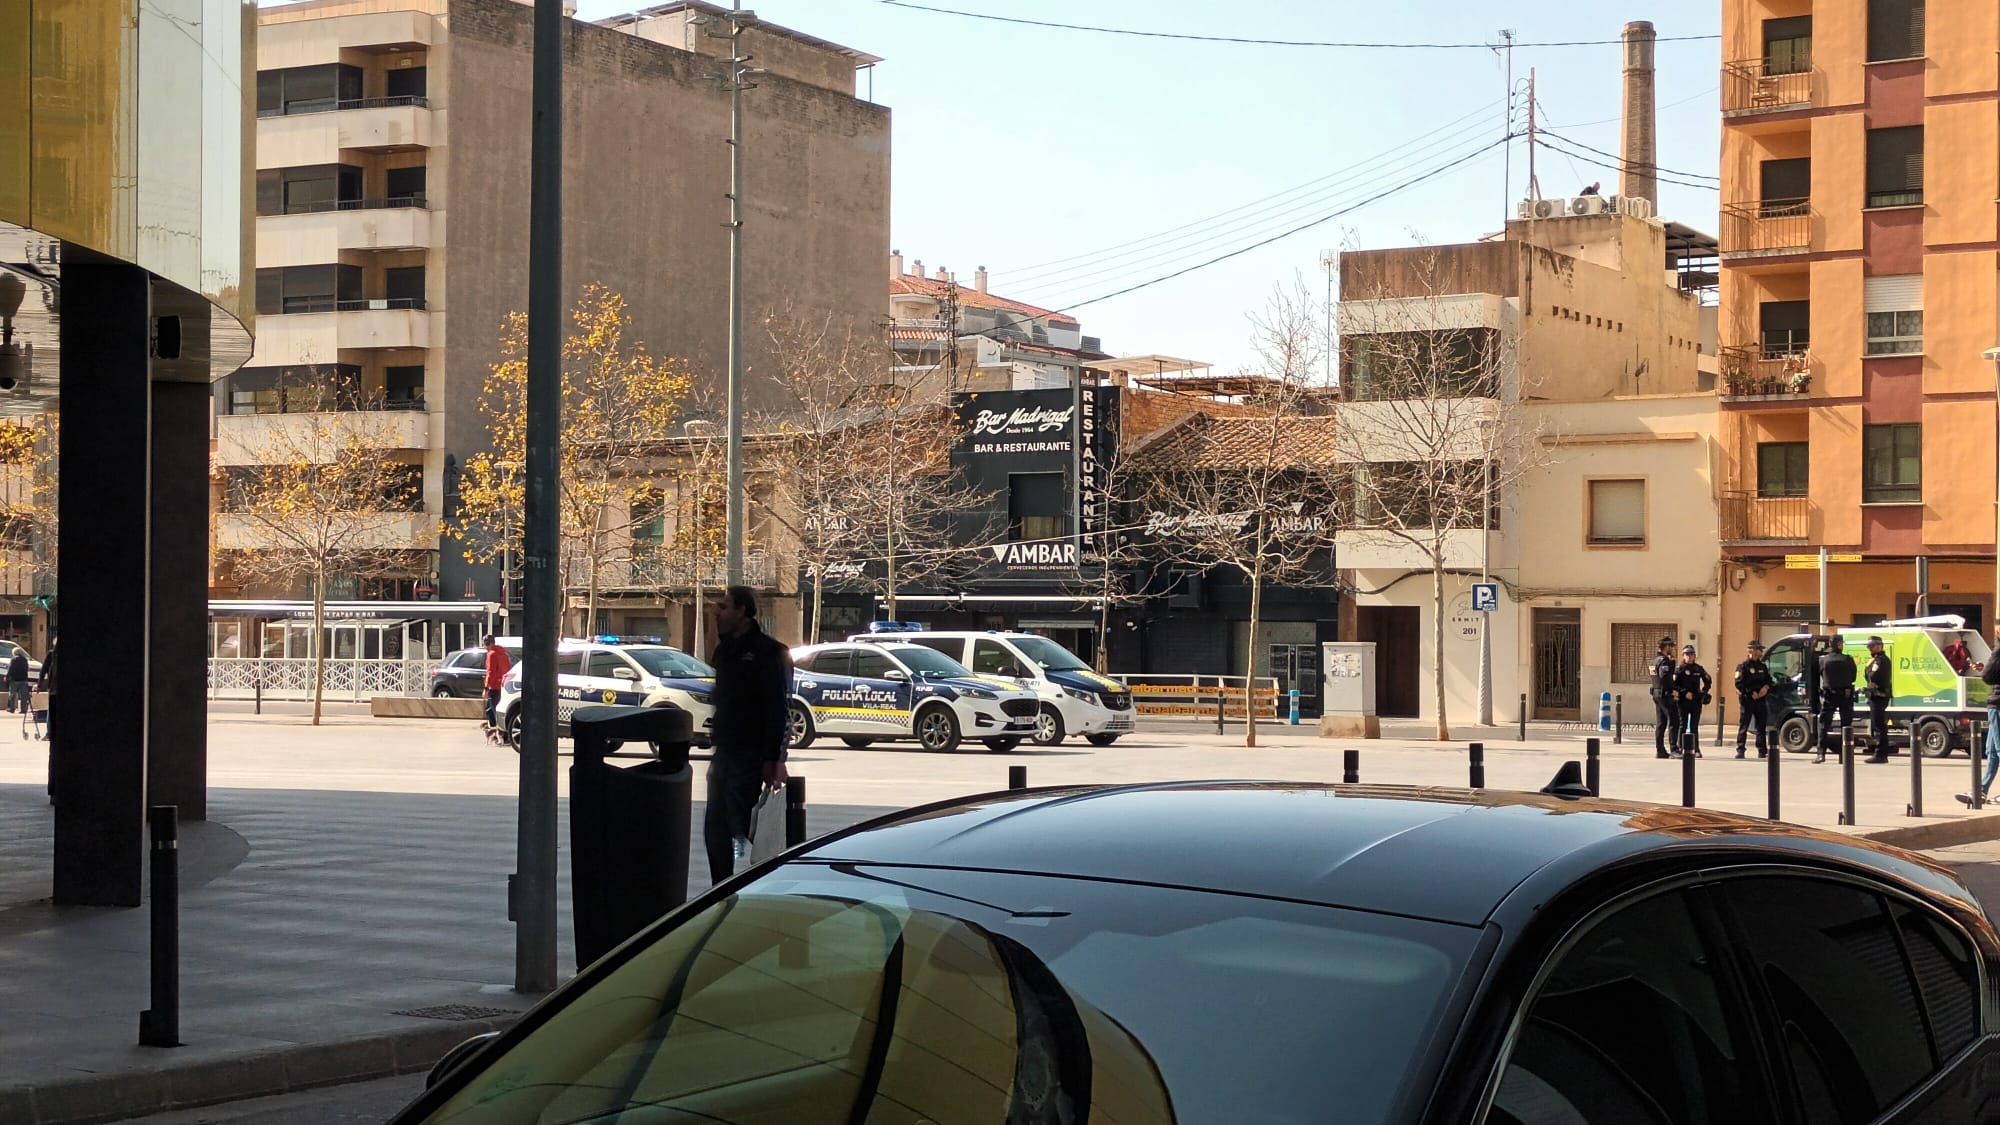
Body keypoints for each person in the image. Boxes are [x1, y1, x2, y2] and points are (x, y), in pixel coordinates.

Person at [704, 585, 792, 885]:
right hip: (726, 750)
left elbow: (778, 708)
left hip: (751, 753)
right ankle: (722, 889)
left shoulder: (769, 653)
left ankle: (756, 886)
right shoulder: (725, 650)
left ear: (742, 611)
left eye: (726, 607)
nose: (719, 613)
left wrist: (774, 758)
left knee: (745, 825)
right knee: (716, 827)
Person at [1958, 640, 2000, 806]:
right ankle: (1981, 789)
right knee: (1992, 752)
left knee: (1998, 748)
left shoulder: (1999, 649)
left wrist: (1985, 671)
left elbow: (1988, 676)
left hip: (1997, 703)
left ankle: (1981, 789)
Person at [1817, 637, 1858, 763]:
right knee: (1846, 725)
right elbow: (1853, 676)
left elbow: (1821, 675)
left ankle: (1821, 754)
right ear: (1839, 645)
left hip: (1829, 695)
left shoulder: (1823, 660)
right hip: (1845, 695)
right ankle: (1844, 755)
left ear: (1830, 644)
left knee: (1824, 725)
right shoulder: (1847, 659)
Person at [1733, 639, 1773, 759]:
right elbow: (1739, 683)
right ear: (1752, 651)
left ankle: (1762, 750)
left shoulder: (1762, 666)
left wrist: (1765, 688)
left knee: (1761, 726)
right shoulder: (1742, 667)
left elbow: (1769, 680)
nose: (1761, 652)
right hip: (1747, 700)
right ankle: (1740, 750)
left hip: (1760, 700)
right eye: (1759, 650)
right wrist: (1751, 693)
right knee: (1744, 725)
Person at [1671, 645, 1712, 757]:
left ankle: (1696, 749)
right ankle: (1680, 748)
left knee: (1694, 726)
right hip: (1683, 701)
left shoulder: (1698, 668)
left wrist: (1703, 692)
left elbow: (1708, 680)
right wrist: (1684, 693)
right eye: (1687, 654)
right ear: (1683, 656)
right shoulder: (1679, 670)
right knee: (1682, 725)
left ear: (1694, 656)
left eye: (1691, 654)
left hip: (1696, 701)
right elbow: (1673, 685)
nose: (1689, 657)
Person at [1863, 636, 1893, 764]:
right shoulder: (1877, 660)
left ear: (1880, 646)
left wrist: (1868, 667)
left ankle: (1881, 754)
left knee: (1879, 725)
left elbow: (1873, 676)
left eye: (1872, 646)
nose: (1870, 648)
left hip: (1879, 696)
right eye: (1869, 646)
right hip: (1876, 696)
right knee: (1878, 724)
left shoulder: (1880, 661)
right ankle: (1880, 752)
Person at [1650, 636, 1679, 759]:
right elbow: (1665, 677)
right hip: (1665, 694)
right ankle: (1674, 749)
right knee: (1674, 721)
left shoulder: (1654, 660)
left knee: (1661, 723)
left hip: (1657, 693)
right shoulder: (1663, 661)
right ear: (1666, 647)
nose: (1672, 649)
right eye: (1671, 647)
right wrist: (1671, 691)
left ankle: (1660, 750)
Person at [480, 635, 511, 741]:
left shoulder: (491, 654)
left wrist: (486, 689)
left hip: (494, 686)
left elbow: (490, 672)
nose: (486, 647)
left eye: (486, 645)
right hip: (503, 684)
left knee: (492, 710)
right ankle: (499, 732)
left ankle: (498, 733)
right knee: (492, 709)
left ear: (488, 644)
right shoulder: (502, 652)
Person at [5, 647, 28, 717]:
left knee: (12, 694)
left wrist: (7, 677)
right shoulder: (24, 660)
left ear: (14, 653)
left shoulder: (13, 660)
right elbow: (26, 669)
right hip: (23, 679)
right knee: (23, 696)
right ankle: (23, 709)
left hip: (14, 679)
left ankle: (11, 708)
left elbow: (10, 669)